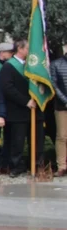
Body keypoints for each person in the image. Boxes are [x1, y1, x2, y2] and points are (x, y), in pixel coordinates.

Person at [0, 40, 44, 177]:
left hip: (36, 110)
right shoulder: (8, 66)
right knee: (17, 142)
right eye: (28, 48)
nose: (30, 51)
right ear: (20, 48)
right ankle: (16, 166)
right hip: (18, 111)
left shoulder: (33, 66)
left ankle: (36, 165)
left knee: (37, 141)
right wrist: (25, 101)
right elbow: (7, 88)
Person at [0, 42, 15, 173]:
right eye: (9, 53)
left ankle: (6, 163)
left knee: (9, 137)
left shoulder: (11, 65)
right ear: (2, 53)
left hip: (11, 106)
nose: (11, 55)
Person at [51, 46, 67, 177]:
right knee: (62, 137)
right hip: (62, 106)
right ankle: (62, 166)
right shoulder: (56, 64)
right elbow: (54, 84)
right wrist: (65, 100)